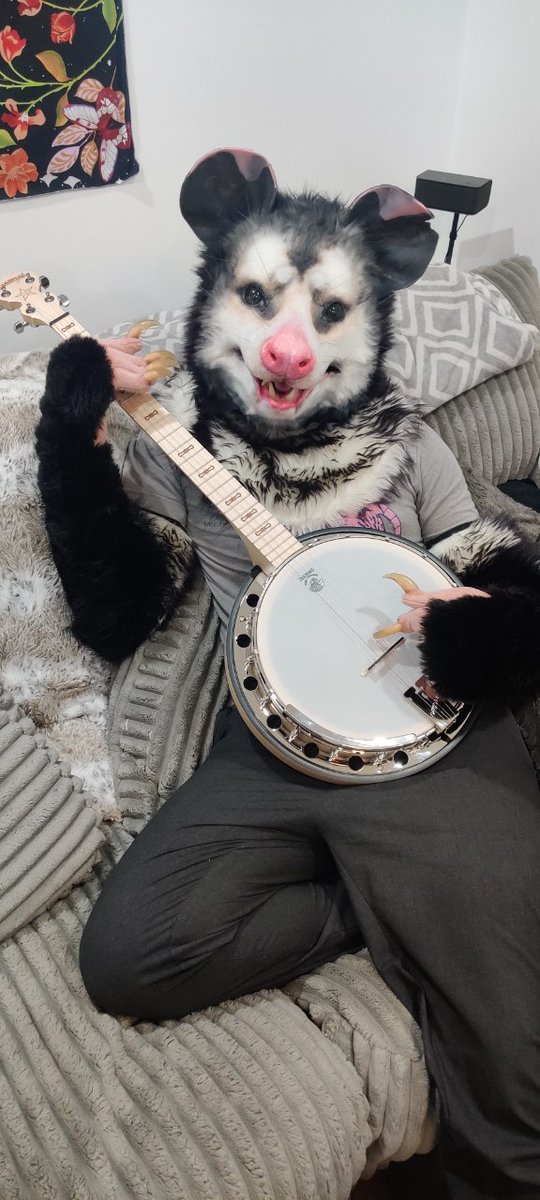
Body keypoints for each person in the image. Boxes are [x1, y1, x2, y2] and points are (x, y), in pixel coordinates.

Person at [36, 149, 540, 1199]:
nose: (286, 343)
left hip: (428, 732)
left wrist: (484, 632)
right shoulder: (181, 456)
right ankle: (375, 900)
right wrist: (70, 434)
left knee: (517, 1054)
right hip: (267, 741)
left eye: (324, 309)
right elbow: (118, 609)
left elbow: (493, 567)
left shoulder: (411, 447)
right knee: (128, 955)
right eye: (262, 297)